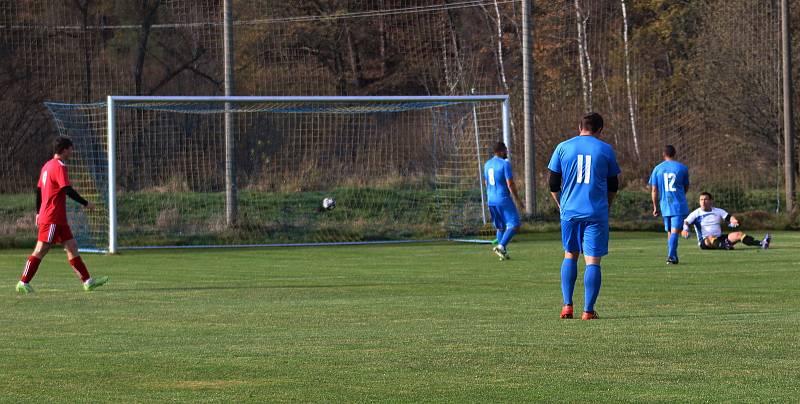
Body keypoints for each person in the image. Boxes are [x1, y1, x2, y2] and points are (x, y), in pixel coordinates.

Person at [548, 112, 620, 320]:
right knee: (593, 261)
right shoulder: (605, 149)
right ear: (600, 130)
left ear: (579, 127)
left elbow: (553, 183)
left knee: (570, 254)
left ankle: (567, 305)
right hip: (596, 212)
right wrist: (607, 205)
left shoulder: (563, 147)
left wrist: (561, 204)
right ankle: (588, 310)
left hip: (569, 212)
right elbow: (613, 184)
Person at [16, 136, 108, 294]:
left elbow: (39, 191)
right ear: (64, 150)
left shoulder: (46, 166)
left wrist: (38, 212)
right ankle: (23, 282)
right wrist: (86, 203)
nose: (72, 152)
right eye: (71, 149)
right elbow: (67, 189)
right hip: (52, 217)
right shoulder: (59, 166)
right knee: (41, 249)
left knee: (72, 247)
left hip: (57, 218)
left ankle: (88, 281)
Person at [681, 192, 771, 250]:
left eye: (705, 199)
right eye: (701, 200)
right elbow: (686, 222)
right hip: (705, 241)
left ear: (710, 201)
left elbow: (729, 217)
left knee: (738, 234)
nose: (703, 201)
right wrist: (685, 229)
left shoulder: (718, 211)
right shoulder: (696, 213)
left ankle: (761, 243)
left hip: (720, 238)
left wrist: (734, 221)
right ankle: (726, 246)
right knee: (710, 238)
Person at [649, 145, 690, 264]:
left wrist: (655, 206)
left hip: (665, 205)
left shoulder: (657, 169)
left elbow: (654, 190)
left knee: (670, 232)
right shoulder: (682, 168)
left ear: (663, 154)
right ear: (675, 153)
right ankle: (671, 256)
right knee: (674, 232)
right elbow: (686, 186)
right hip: (678, 204)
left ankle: (673, 256)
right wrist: (680, 195)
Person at [483, 141, 523, 260]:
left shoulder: (487, 164)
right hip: (503, 198)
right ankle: (501, 246)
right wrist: (517, 199)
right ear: (501, 151)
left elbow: (486, 182)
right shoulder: (505, 164)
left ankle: (502, 253)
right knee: (514, 224)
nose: (507, 152)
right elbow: (510, 183)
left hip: (491, 200)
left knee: (500, 227)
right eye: (505, 150)